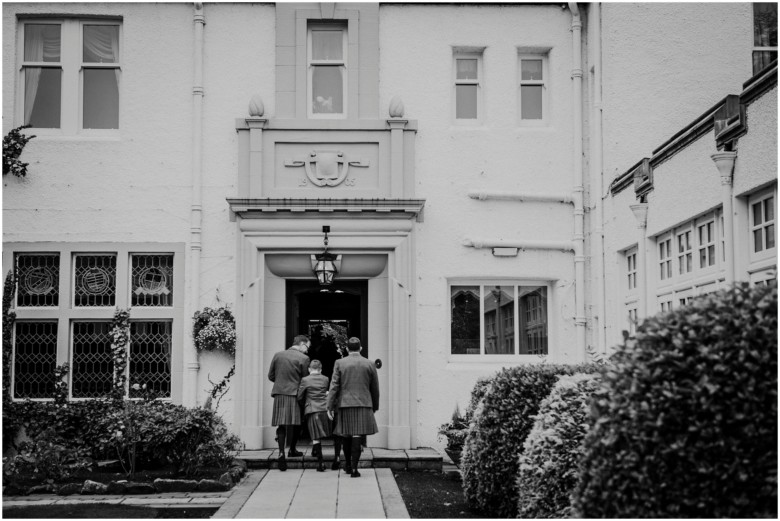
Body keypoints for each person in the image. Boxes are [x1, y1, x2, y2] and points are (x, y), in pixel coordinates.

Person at [326, 336, 379, 478]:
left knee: (346, 435)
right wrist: (374, 406)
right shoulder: (369, 364)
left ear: (347, 349)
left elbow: (334, 386)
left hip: (345, 404)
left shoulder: (339, 362)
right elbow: (375, 388)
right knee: (357, 435)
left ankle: (348, 465)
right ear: (360, 348)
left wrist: (330, 406)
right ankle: (355, 469)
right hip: (364, 404)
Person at [268, 334, 310, 471]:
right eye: (307, 347)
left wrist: (282, 383)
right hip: (295, 394)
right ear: (302, 344)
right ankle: (292, 449)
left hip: (280, 393)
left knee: (282, 424)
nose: (307, 350)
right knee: (297, 422)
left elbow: (271, 376)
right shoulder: (304, 358)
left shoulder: (278, 355)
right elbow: (305, 380)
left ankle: (281, 453)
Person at [297, 359, 332, 472]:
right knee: (318, 434)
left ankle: (321, 463)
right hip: (323, 409)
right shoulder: (325, 379)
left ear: (309, 369)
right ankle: (315, 452)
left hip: (312, 410)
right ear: (320, 369)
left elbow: (300, 396)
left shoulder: (305, 380)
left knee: (315, 437)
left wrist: (305, 404)